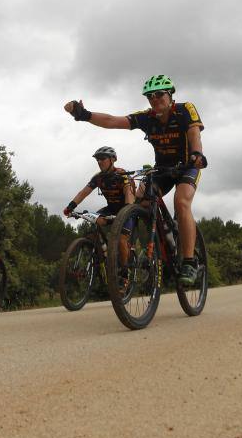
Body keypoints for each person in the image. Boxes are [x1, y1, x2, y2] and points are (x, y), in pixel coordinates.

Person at [64, 74, 206, 285]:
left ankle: (188, 262)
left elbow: (194, 134)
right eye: (150, 97)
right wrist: (84, 114)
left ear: (170, 95)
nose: (155, 99)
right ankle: (151, 249)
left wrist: (196, 154)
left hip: (188, 166)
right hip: (162, 170)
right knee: (141, 203)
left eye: (159, 94)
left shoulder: (185, 110)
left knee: (181, 201)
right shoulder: (147, 118)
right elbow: (112, 121)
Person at [64, 146, 135, 268]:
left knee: (121, 240)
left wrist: (127, 209)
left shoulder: (122, 174)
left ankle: (124, 273)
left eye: (102, 158)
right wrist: (71, 206)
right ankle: (102, 255)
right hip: (111, 208)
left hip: (126, 209)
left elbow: (128, 192)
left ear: (113, 160)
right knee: (94, 220)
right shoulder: (98, 177)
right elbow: (84, 192)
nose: (99, 162)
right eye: (97, 160)